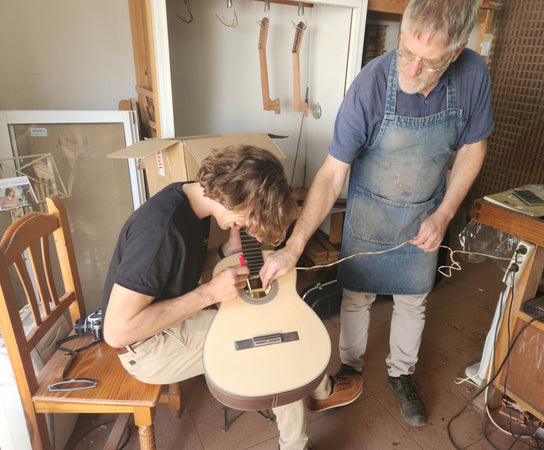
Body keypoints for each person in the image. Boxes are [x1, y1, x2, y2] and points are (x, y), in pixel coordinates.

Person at [260, 0, 494, 428]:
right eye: (406, 53)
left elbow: (473, 148)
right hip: (369, 210)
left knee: (413, 300)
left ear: (456, 53)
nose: (411, 69)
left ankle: (401, 374)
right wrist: (293, 246)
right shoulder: (369, 86)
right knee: (357, 296)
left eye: (429, 62)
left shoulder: (474, 74)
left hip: (425, 211)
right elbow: (332, 175)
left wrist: (443, 215)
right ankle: (350, 366)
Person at [102, 145, 363, 450]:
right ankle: (299, 438)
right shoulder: (159, 232)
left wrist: (226, 250)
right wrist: (209, 293)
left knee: (270, 325)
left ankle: (319, 390)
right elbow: (117, 332)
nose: (252, 227)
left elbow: (178, 273)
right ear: (239, 197)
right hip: (147, 347)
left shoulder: (190, 201)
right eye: (253, 216)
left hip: (170, 321)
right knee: (274, 349)